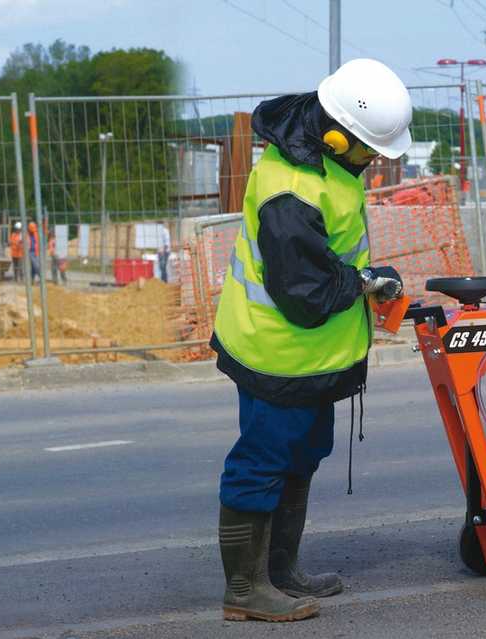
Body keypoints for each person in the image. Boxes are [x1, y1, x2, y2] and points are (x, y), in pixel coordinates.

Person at [210, 59, 412, 623]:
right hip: (278, 354)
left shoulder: (324, 156)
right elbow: (305, 292)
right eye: (371, 150)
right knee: (262, 462)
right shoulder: (292, 192)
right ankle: (245, 590)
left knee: (302, 454)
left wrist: (362, 280)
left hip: (310, 355)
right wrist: (365, 282)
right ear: (336, 134)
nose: (375, 161)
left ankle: (280, 570)